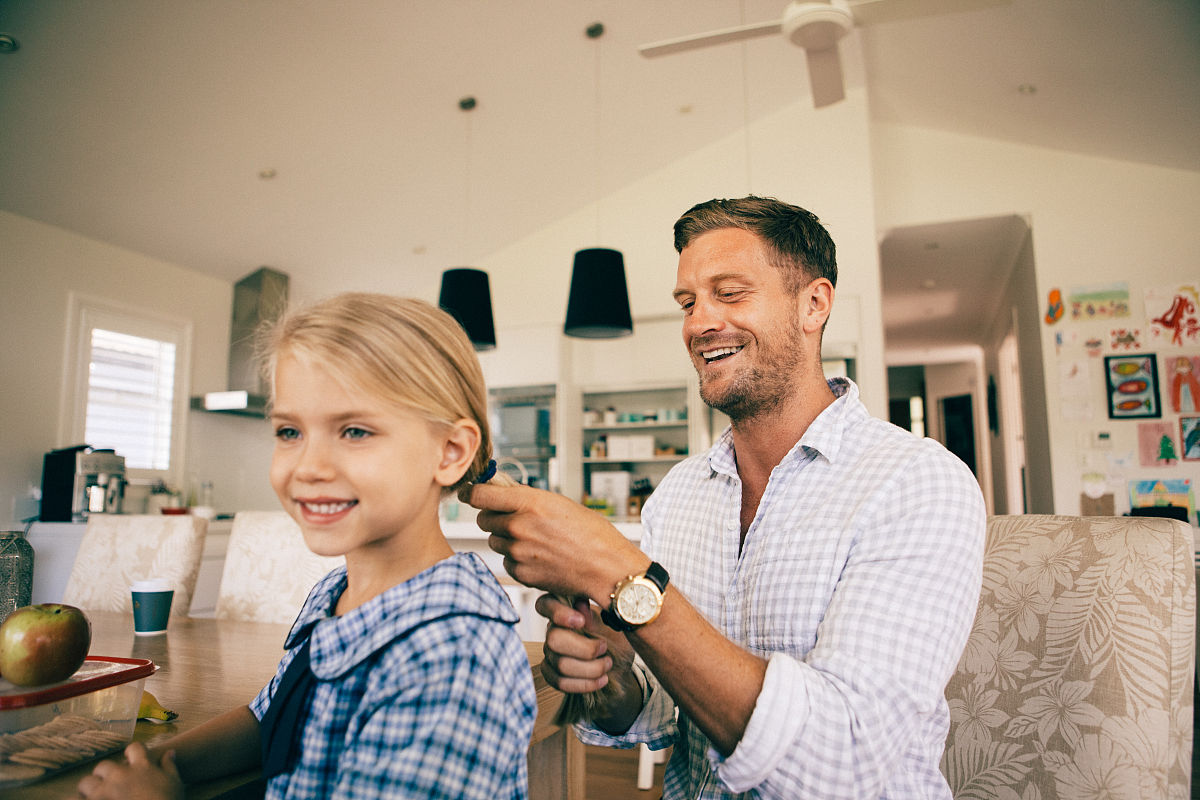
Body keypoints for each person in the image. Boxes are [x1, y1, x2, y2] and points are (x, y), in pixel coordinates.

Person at [461, 196, 987, 799]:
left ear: (814, 304)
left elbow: (843, 761)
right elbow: (665, 708)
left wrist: (621, 573)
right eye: (688, 303)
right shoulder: (679, 494)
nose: (698, 324)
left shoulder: (918, 482)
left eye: (730, 294)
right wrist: (613, 681)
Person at [78, 294, 537, 800]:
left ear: (449, 452)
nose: (309, 466)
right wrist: (161, 765)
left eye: (355, 431)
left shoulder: (451, 659)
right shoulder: (336, 591)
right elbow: (275, 717)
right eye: (290, 431)